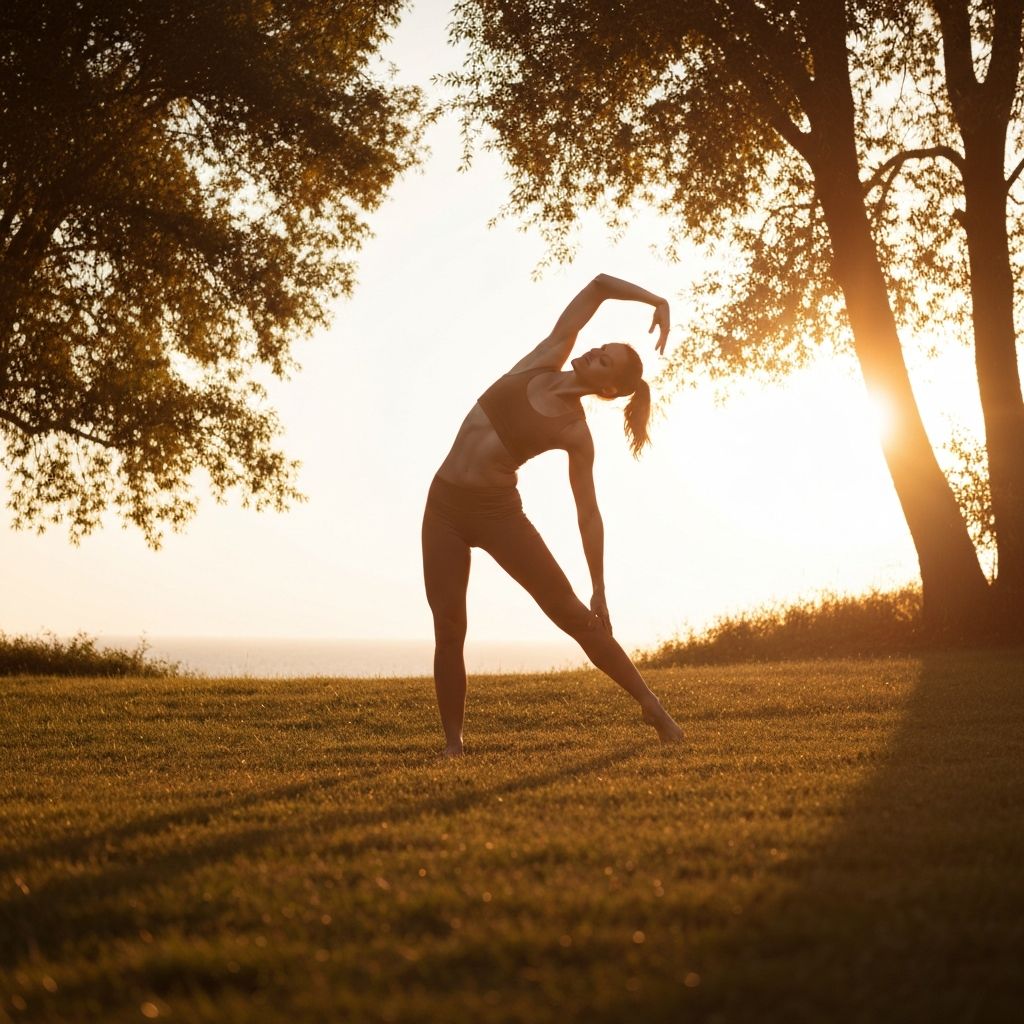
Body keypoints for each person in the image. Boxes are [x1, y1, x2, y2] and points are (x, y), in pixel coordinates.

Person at [422, 273, 684, 757]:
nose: (591, 353)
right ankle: (453, 745)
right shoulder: (547, 356)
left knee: (571, 613)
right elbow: (600, 286)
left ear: (608, 387)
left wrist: (599, 586)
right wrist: (656, 299)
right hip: (443, 508)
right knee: (449, 626)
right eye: (599, 346)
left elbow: (588, 512)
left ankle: (654, 707)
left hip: (497, 513)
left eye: (603, 359)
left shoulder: (575, 432)